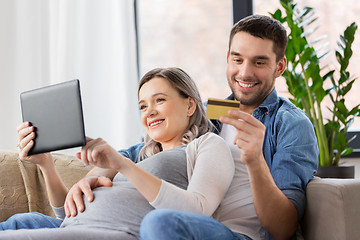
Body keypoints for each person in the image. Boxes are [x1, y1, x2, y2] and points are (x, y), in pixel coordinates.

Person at [138, 15, 319, 240]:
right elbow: (142, 148)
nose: (245, 73)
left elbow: (282, 229)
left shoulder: (291, 124)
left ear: (279, 67)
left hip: (245, 236)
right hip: (197, 226)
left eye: (259, 62)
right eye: (238, 60)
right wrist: (100, 169)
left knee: (159, 223)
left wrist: (255, 160)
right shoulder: (208, 112)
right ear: (227, 59)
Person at [0, 67, 235, 239]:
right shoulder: (136, 155)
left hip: (115, 231)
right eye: (143, 106)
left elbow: (199, 209)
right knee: (20, 222)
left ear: (190, 105)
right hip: (73, 227)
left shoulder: (205, 145)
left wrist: (122, 164)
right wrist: (45, 165)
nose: (149, 112)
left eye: (159, 100)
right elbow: (67, 212)